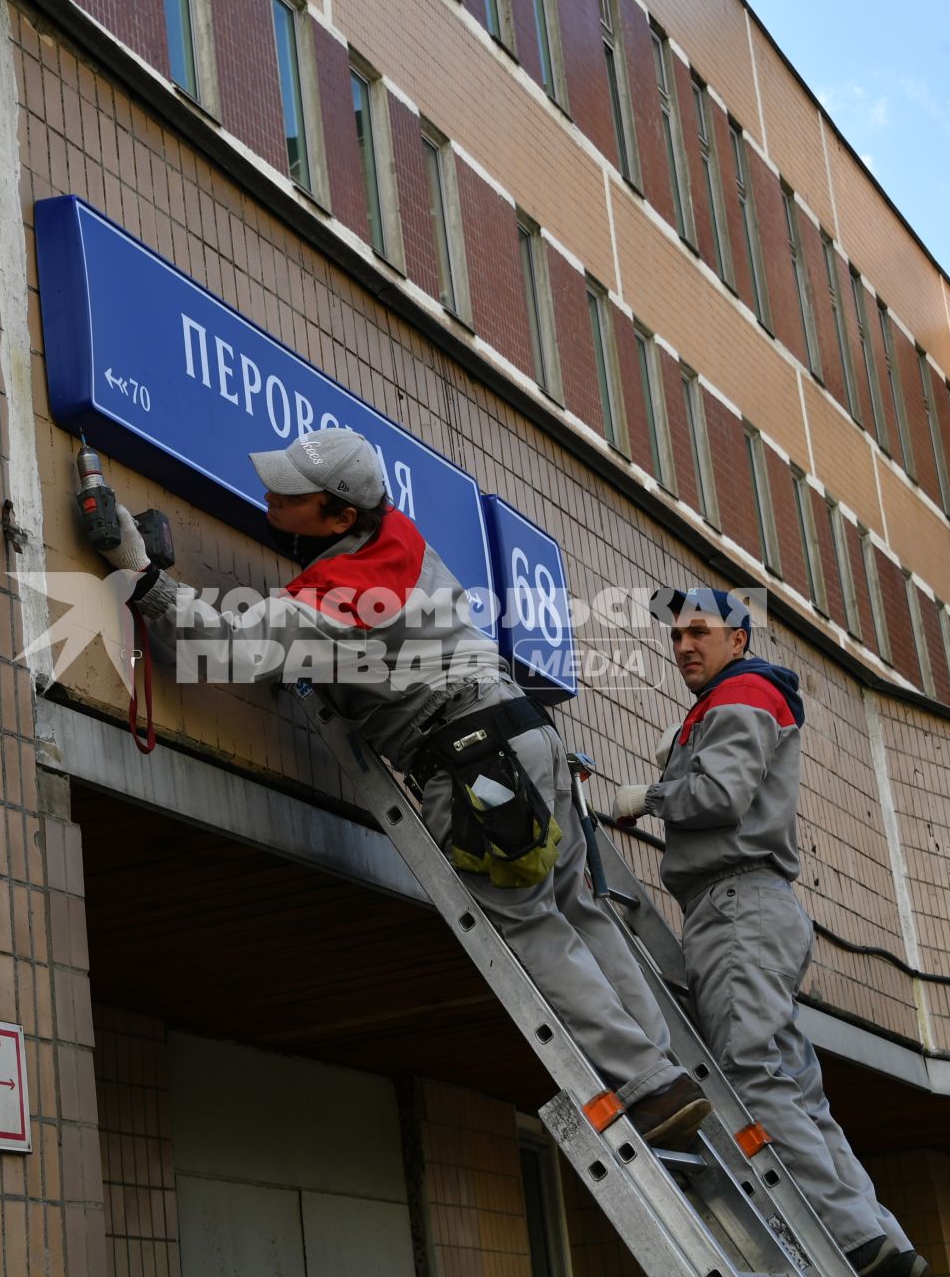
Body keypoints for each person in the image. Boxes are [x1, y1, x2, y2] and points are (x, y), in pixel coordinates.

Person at [92, 428, 709, 1148]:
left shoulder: (344, 593)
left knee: (528, 922)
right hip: (527, 736)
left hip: (472, 760)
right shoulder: (400, 538)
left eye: (292, 493)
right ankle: (662, 1073)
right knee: (579, 909)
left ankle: (644, 1085)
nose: (272, 496)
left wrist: (144, 577)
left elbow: (228, 650)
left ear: (342, 514)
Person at [613, 587, 928, 1277]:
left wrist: (650, 796)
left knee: (752, 1076)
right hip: (753, 907)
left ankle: (851, 1241)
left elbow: (720, 795)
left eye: (700, 631)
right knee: (794, 1086)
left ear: (739, 640)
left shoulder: (743, 693)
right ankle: (877, 1240)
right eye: (676, 636)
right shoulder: (745, 696)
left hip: (736, 908)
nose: (685, 645)